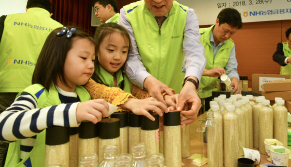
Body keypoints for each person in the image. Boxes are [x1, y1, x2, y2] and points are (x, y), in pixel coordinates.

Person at [1, 26, 167, 167]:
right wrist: (71, 112)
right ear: (58, 56)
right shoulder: (36, 93)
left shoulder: (85, 94)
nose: (90, 65)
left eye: (93, 59)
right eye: (83, 58)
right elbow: (3, 126)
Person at [118, 0, 206, 124]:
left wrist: (191, 83)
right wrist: (148, 82)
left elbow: (194, 53)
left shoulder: (187, 15)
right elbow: (130, 57)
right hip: (139, 100)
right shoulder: (128, 14)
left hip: (174, 102)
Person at [0, 0, 62, 166]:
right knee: (32, 140)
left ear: (27, 9)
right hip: (42, 91)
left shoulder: (7, 20)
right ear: (50, 14)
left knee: (3, 136)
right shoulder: (59, 28)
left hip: (7, 86)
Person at [199, 8, 242, 111]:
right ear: (217, 21)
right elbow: (183, 67)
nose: (227, 36)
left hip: (211, 95)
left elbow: (231, 69)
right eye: (225, 31)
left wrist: (234, 79)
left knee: (209, 124)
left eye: (232, 33)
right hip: (191, 91)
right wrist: (208, 72)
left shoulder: (230, 44)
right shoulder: (197, 36)